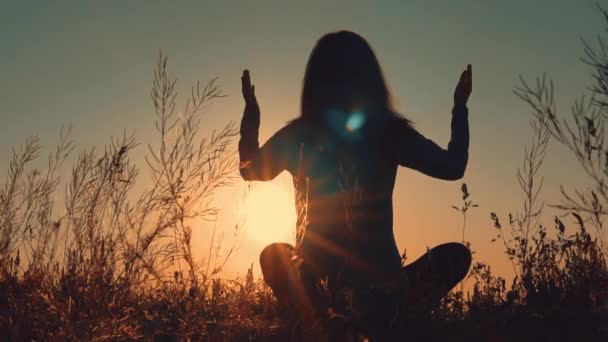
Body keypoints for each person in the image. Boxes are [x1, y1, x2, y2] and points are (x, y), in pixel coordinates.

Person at [239, 30, 472, 336]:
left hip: (321, 291)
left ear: (315, 82)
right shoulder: (390, 132)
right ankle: (394, 316)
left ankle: (316, 318)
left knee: (274, 255)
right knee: (456, 256)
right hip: (384, 294)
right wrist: (460, 107)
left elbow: (251, 170)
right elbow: (453, 167)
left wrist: (251, 116)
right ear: (370, 78)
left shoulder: (300, 135)